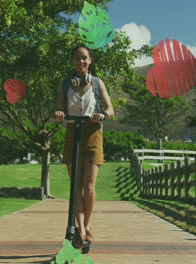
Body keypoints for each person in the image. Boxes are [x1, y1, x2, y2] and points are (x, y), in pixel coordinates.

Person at [54, 44, 114, 248]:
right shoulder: (65, 84)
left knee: (88, 188)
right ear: (72, 61)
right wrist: (59, 114)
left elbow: (110, 109)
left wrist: (103, 115)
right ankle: (79, 229)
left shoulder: (97, 83)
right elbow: (57, 108)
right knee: (75, 187)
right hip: (72, 134)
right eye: (77, 58)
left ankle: (87, 226)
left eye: (84, 58)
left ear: (90, 61)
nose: (81, 62)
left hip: (93, 135)